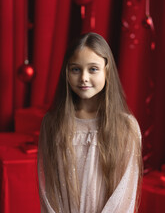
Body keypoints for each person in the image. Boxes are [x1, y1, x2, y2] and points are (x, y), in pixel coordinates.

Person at [37, 32, 143, 213]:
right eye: (75, 69)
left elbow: (125, 192)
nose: (84, 77)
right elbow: (48, 189)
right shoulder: (52, 123)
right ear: (66, 72)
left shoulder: (126, 126)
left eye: (93, 69)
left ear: (106, 70)